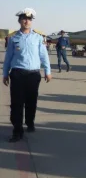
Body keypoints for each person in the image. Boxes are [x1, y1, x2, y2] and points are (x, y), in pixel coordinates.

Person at [2, 8, 52, 142]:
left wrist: (48, 71)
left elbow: (44, 56)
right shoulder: (13, 38)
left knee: (31, 101)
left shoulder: (38, 38)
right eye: (24, 19)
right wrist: (5, 74)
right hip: (17, 74)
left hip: (33, 75)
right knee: (16, 103)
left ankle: (30, 122)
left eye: (29, 19)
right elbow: (8, 58)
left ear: (31, 21)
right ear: (19, 21)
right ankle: (17, 131)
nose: (26, 21)